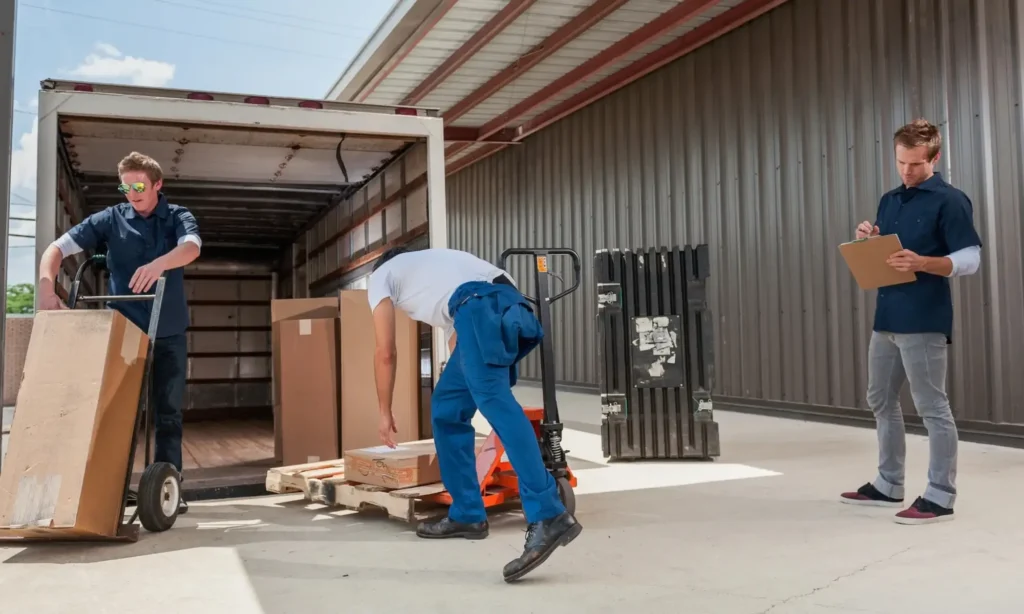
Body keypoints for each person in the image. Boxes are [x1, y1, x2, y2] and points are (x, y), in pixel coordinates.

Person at [367, 246, 582, 582]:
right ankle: (467, 512)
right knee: (448, 407)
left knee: (496, 402)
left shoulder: (382, 275)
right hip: (504, 306)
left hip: (481, 307)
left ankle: (548, 512)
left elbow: (385, 351)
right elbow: (459, 347)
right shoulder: (436, 266)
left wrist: (383, 411)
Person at [37, 151, 201, 515]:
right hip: (123, 330)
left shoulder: (177, 216)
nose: (132, 193)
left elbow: (191, 248)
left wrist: (160, 263)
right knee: (118, 409)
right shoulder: (109, 218)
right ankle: (112, 485)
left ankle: (169, 485)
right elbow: (57, 248)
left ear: (158, 185)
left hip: (169, 329)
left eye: (139, 185)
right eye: (125, 187)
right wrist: (47, 289)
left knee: (168, 412)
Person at [839, 119, 982, 524]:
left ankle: (940, 495)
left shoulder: (951, 201)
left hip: (923, 318)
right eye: (901, 162)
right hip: (887, 315)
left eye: (916, 164)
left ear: (934, 158)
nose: (907, 170)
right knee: (880, 399)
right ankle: (889, 482)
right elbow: (889, 249)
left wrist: (924, 263)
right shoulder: (890, 199)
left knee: (932, 407)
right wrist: (870, 239)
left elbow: (970, 259)